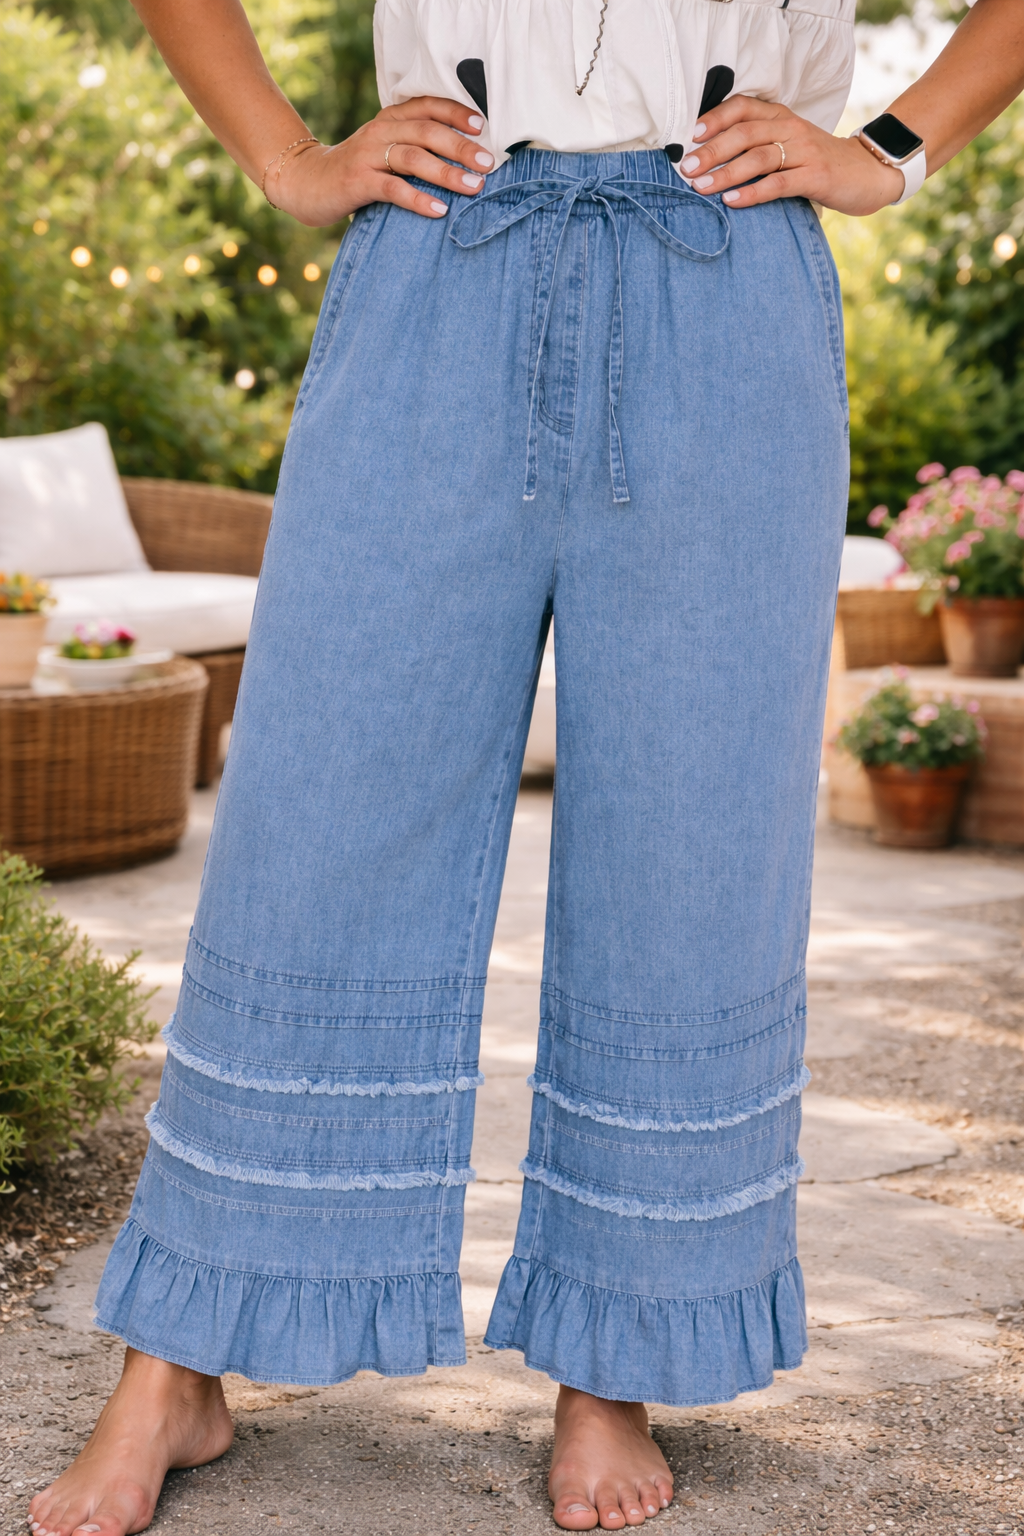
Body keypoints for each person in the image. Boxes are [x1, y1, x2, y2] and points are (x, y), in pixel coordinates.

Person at [27, 0, 1024, 1532]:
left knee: (686, 841)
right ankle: (180, 1356)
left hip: (727, 283)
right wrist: (288, 158)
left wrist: (890, 149)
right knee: (317, 817)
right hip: (441, 254)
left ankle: (613, 1358)